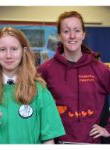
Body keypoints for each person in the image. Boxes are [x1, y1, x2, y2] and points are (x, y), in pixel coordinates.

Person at [0, 27, 65, 144]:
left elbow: (48, 139)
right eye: (2, 49)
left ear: (23, 51)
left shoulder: (39, 90)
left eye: (14, 49)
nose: (8, 55)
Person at [37, 11, 110, 143]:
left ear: (83, 34)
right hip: (58, 142)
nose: (72, 36)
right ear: (59, 36)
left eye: (77, 31)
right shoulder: (45, 70)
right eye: (66, 31)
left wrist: (108, 129)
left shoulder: (100, 69)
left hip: (92, 143)